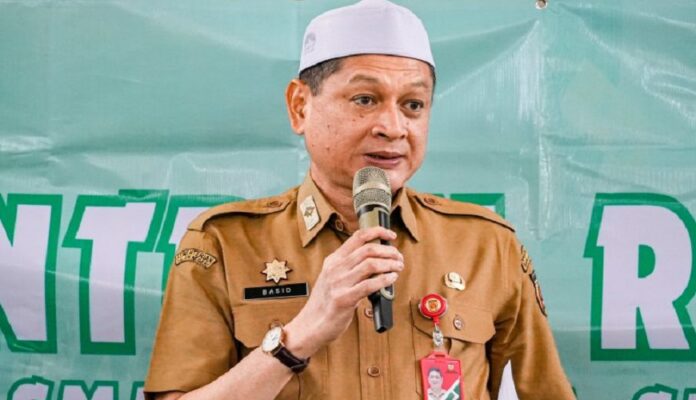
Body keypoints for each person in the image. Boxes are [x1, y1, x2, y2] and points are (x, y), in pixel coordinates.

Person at [144, 1, 575, 399]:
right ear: (300, 106)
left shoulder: (487, 246)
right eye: (365, 99)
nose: (393, 127)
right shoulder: (225, 244)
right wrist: (300, 336)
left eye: (413, 105)